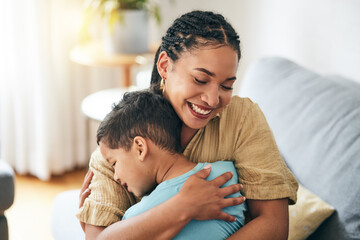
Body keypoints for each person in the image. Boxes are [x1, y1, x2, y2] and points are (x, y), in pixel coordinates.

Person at [77, 10, 298, 239]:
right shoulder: (119, 139)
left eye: (226, 86)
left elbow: (274, 226)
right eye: (200, 80)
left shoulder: (242, 119)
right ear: (164, 65)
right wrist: (183, 207)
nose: (213, 99)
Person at [95, 90, 247, 239]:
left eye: (114, 163)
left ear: (140, 148)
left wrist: (90, 225)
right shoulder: (227, 175)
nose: (115, 176)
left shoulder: (137, 217)